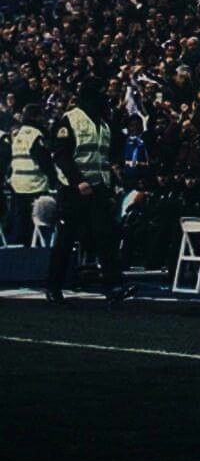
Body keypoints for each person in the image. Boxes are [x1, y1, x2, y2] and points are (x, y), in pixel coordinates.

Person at [46, 79, 127, 305]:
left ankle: (114, 287)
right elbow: (61, 155)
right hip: (74, 190)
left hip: (98, 188)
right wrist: (78, 181)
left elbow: (104, 160)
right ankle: (53, 286)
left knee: (106, 236)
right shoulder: (70, 120)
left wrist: (109, 190)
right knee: (66, 239)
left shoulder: (104, 124)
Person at [3, 103, 53, 247]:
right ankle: (36, 253)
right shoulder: (35, 135)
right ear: (36, 117)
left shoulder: (18, 134)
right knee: (37, 222)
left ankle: (20, 254)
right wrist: (54, 178)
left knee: (21, 221)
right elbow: (44, 161)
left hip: (18, 184)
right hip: (34, 185)